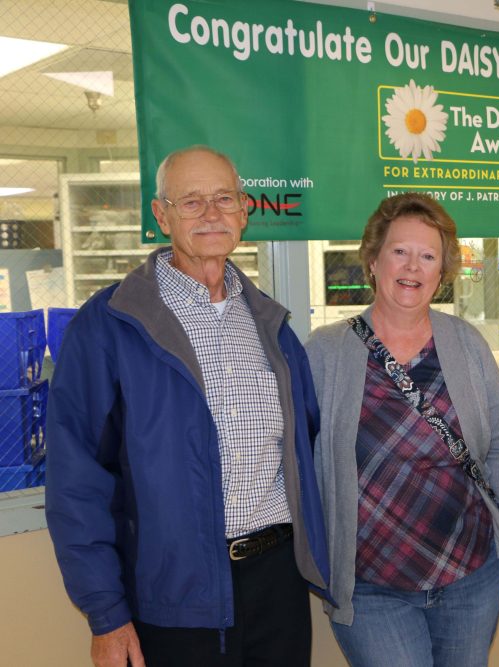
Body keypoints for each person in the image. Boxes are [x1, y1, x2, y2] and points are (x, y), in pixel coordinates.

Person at [45, 145, 330, 667]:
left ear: (245, 210)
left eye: (224, 198)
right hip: (173, 595)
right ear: (161, 215)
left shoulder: (270, 326)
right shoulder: (112, 324)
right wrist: (106, 612)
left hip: (278, 584)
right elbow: (77, 477)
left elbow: (303, 449)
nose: (212, 213)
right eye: (191, 201)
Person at [305, 192, 499, 667]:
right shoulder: (325, 352)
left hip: (470, 572)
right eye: (399, 251)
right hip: (370, 584)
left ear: (442, 270)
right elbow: (301, 464)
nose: (413, 267)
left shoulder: (467, 344)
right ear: (373, 260)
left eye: (428, 255)